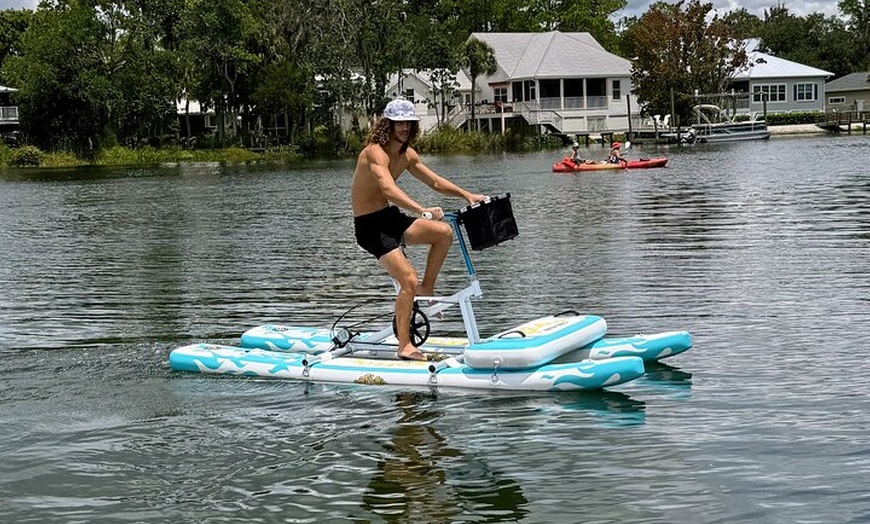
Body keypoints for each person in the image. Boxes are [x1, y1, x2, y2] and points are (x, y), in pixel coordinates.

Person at [351, 98, 486, 361]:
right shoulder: (373, 153)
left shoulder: (407, 154)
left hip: (389, 217)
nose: (404, 128)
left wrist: (466, 195)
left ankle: (428, 289)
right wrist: (420, 209)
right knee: (407, 280)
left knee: (443, 233)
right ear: (387, 125)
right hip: (370, 227)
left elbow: (434, 181)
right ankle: (405, 345)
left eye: (408, 123)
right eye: (399, 123)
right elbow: (388, 189)